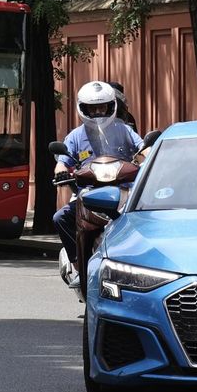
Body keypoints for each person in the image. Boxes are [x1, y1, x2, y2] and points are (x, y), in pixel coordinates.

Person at [53, 80, 145, 264]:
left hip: (123, 193)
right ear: (83, 109)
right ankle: (77, 261)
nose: (97, 113)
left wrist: (150, 159)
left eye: (102, 108)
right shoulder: (75, 136)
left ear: (111, 107)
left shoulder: (124, 130)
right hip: (88, 194)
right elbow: (62, 162)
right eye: (92, 109)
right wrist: (61, 171)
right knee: (60, 218)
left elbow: (143, 148)